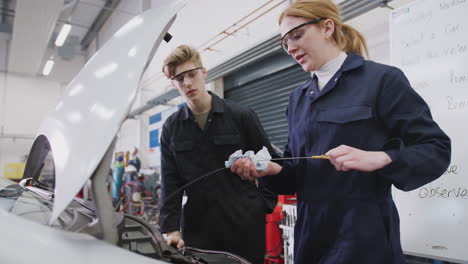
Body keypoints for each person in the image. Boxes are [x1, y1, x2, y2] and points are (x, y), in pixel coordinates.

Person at [230, 1, 451, 263]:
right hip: (311, 242)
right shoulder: (297, 99)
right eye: (284, 42)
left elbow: (435, 148)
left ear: (327, 27)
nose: (290, 48)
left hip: (365, 242)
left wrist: (382, 158)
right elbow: (294, 173)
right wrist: (268, 170)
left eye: (297, 35)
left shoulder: (382, 81)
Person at [159, 45, 277, 264]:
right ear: (173, 83)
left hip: (244, 224)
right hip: (198, 226)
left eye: (192, 74)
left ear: (203, 72)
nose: (187, 83)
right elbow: (170, 180)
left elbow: (270, 161)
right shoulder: (172, 127)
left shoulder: (241, 116)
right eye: (179, 78)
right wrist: (171, 228)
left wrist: (263, 205)